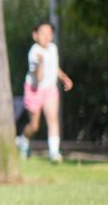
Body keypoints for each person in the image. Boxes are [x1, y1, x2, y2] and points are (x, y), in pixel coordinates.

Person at [17, 21, 73, 163]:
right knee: (34, 126)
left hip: (50, 89)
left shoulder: (53, 48)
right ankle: (23, 140)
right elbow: (39, 77)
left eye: (50, 33)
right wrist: (41, 62)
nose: (47, 36)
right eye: (43, 33)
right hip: (34, 89)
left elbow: (55, 67)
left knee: (53, 120)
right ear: (35, 35)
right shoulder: (34, 53)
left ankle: (54, 153)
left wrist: (64, 78)